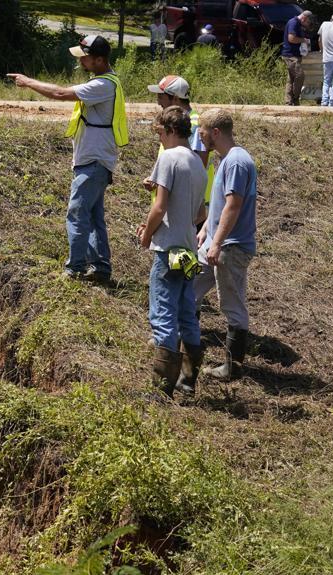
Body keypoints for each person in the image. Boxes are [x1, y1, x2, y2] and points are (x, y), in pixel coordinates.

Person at [7, 35, 128, 284]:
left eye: (85, 57)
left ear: (99, 60)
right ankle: (101, 268)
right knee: (93, 215)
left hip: (93, 161)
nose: (80, 61)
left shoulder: (102, 86)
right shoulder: (102, 82)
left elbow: (61, 94)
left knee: (77, 212)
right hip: (94, 160)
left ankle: (75, 268)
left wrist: (28, 82)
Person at [137, 106, 207, 397]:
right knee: (186, 313)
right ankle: (189, 381)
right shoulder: (198, 163)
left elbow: (160, 206)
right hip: (189, 249)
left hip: (168, 250)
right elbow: (200, 212)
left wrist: (148, 234)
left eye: (160, 133)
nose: (160, 139)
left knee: (162, 313)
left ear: (169, 130)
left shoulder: (167, 157)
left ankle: (162, 388)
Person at [188, 109, 258, 385]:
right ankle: (185, 349)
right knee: (189, 287)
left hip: (231, 246)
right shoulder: (226, 160)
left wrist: (216, 242)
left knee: (231, 304)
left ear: (215, 132)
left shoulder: (237, 162)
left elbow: (234, 205)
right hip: (215, 243)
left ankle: (233, 367)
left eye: (202, 132)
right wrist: (205, 230)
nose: (199, 136)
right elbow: (218, 205)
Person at [144, 75, 214, 218]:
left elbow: (198, 165)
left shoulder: (195, 124)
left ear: (175, 98)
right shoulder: (174, 122)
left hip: (190, 207)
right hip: (176, 203)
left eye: (161, 96)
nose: (158, 102)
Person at [282, 10, 313, 106]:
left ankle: (289, 102)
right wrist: (304, 40)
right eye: (307, 22)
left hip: (295, 55)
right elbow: (291, 38)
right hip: (291, 55)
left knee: (291, 79)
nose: (307, 25)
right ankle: (295, 98)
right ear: (304, 18)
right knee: (300, 75)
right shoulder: (294, 22)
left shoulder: (298, 24)